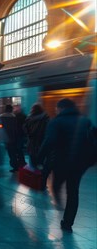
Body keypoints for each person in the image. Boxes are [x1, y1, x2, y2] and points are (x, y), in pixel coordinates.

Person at [37, 98, 95, 233]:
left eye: (57, 108)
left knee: (56, 184)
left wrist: (39, 158)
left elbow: (49, 141)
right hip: (80, 162)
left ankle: (58, 202)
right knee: (73, 191)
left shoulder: (56, 122)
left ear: (61, 108)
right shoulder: (85, 120)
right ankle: (68, 223)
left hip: (61, 161)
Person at [24, 103, 50, 189]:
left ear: (33, 110)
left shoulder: (29, 119)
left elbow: (25, 130)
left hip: (32, 145)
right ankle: (42, 184)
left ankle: (34, 183)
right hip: (42, 145)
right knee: (42, 165)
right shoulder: (46, 119)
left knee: (33, 165)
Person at [0, 105, 26, 172]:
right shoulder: (14, 117)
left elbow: (0, 127)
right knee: (16, 152)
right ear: (11, 110)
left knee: (11, 153)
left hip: (6, 138)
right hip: (14, 138)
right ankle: (20, 164)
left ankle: (14, 166)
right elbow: (16, 129)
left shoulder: (1, 117)